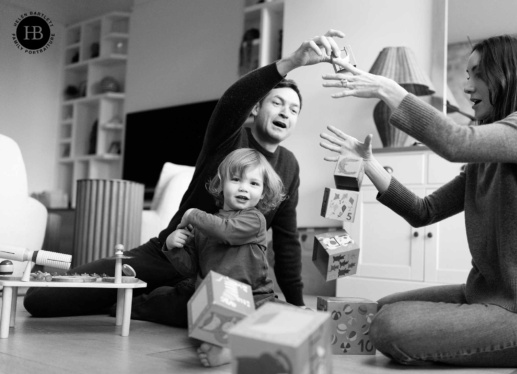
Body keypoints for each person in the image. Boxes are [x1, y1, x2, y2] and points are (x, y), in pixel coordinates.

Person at [24, 29, 347, 326]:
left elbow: (288, 241)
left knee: (224, 313)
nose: (285, 112)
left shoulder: (288, 166)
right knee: (41, 301)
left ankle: (151, 300)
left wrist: (295, 301)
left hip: (222, 277)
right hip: (170, 257)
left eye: (294, 110)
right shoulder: (229, 138)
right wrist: (291, 63)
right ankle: (139, 296)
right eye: (277, 102)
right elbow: (231, 102)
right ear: (255, 110)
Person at [319, 34, 517, 367]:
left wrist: (388, 89)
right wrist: (368, 163)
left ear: (507, 74)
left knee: (388, 326)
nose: (468, 87)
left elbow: (454, 142)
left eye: (477, 74)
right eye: (467, 75)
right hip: (487, 295)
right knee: (381, 308)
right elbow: (422, 212)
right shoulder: (486, 158)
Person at [165, 148, 285, 367]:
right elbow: (190, 267)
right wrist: (173, 247)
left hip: (254, 298)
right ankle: (224, 346)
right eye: (236, 179)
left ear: (264, 192)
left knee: (279, 324)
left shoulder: (255, 219)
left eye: (253, 183)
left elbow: (225, 230)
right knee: (203, 326)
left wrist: (192, 214)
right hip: (218, 301)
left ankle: (232, 346)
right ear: (221, 185)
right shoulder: (204, 227)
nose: (244, 188)